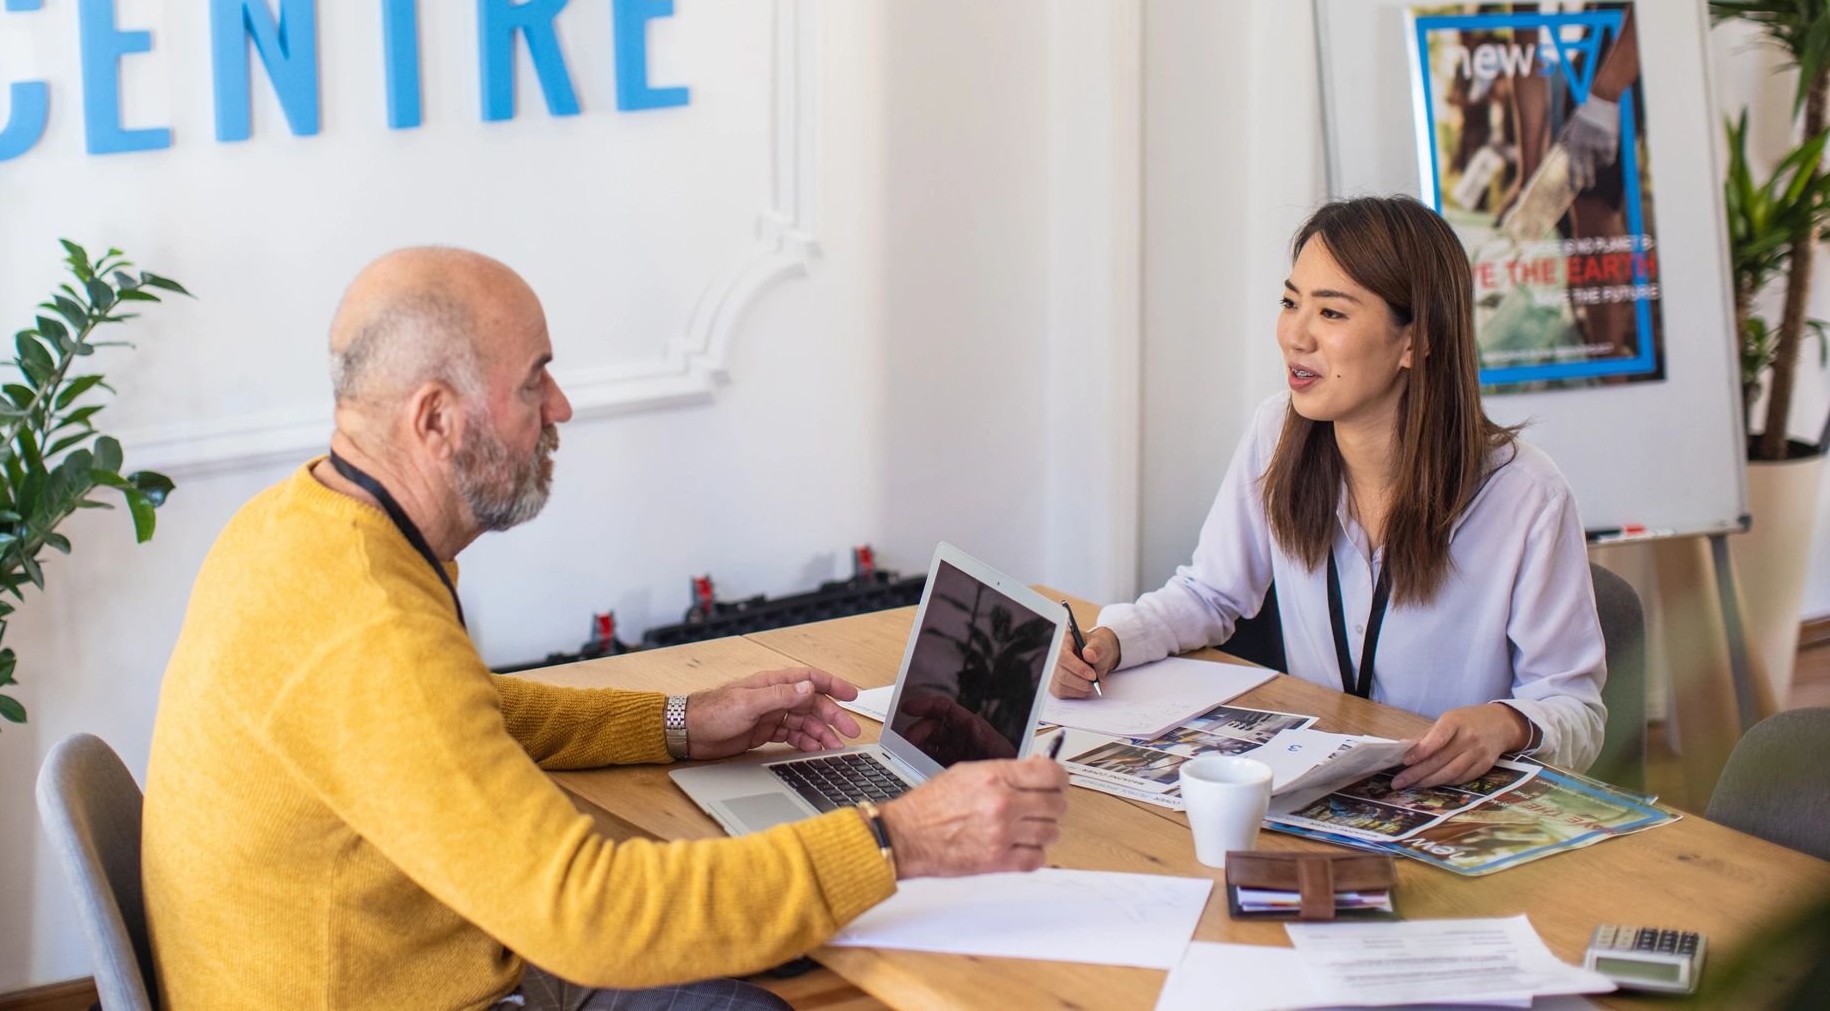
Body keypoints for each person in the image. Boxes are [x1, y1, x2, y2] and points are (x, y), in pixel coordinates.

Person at [142, 247, 1069, 1011]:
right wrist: (898, 840)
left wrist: (679, 723)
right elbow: (587, 911)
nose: (561, 408)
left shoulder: (297, 527)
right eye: (534, 380)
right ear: (435, 419)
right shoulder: (365, 623)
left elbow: (464, 714)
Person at [1052, 196, 1606, 787]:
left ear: (1416, 342)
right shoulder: (1277, 433)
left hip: (1445, 803)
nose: (1295, 335)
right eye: (1291, 302)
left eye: (1332, 314)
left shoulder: (1526, 496)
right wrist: (1109, 642)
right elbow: (1210, 595)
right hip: (1316, 787)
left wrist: (1507, 724)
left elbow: (1575, 708)